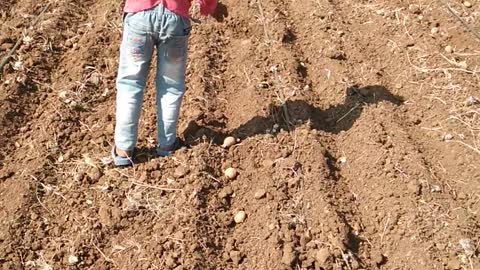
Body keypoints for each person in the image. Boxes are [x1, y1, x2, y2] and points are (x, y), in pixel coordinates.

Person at [112, 0, 217, 166]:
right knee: (171, 85)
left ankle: (124, 151)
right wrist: (208, 7)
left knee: (130, 84)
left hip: (138, 15)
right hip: (175, 19)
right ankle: (167, 145)